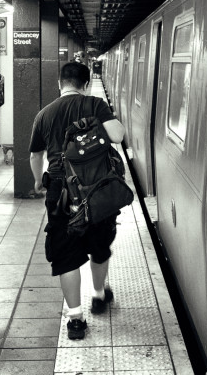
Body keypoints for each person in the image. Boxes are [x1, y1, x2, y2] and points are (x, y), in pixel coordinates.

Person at [29, 61, 125, 340]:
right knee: (99, 243)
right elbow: (118, 136)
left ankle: (75, 319)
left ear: (60, 84)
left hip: (60, 190)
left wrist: (38, 180)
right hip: (97, 188)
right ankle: (98, 294)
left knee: (66, 255)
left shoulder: (44, 114)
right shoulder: (95, 104)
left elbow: (35, 156)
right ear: (86, 84)